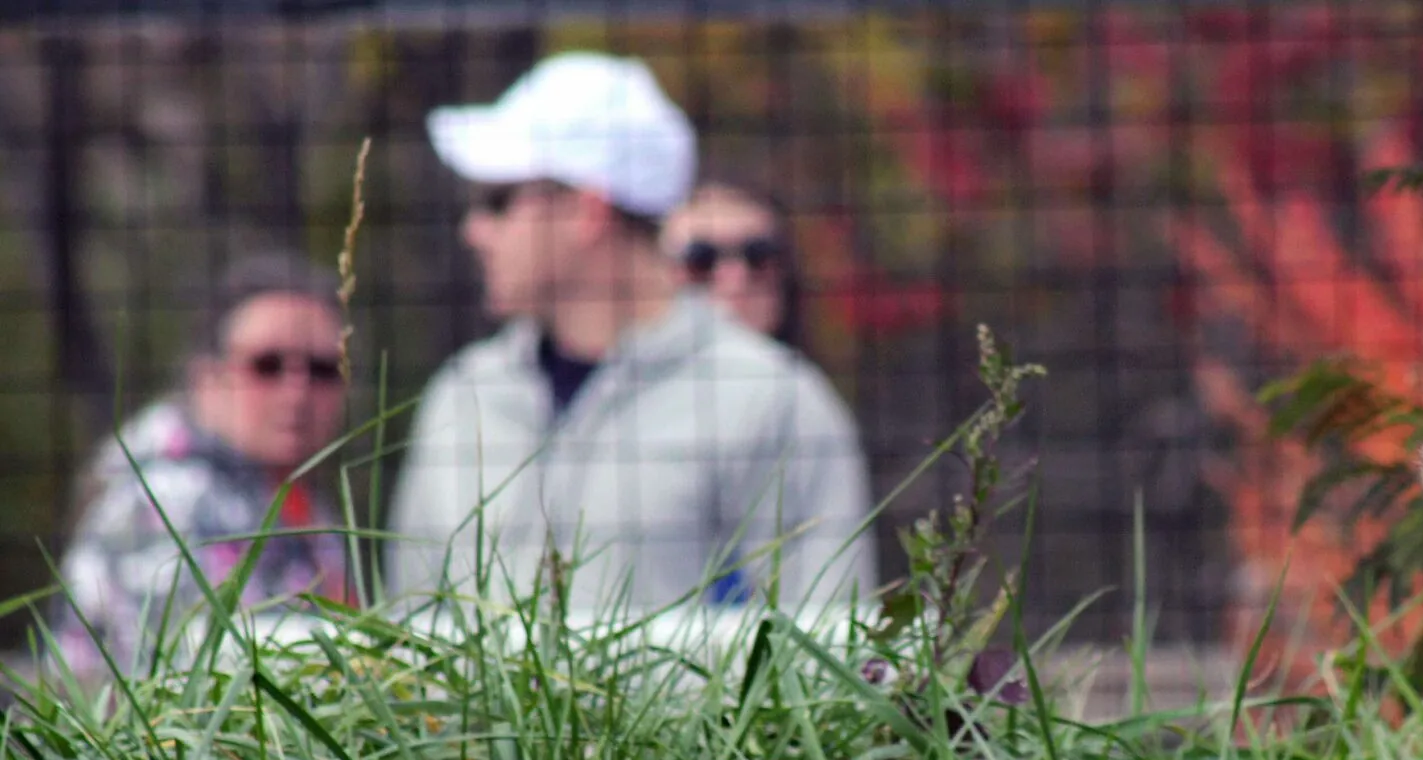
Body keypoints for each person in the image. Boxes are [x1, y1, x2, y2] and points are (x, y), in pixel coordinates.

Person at [384, 52, 876, 618]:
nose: (475, 231)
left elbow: (827, 654)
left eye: (498, 202)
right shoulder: (463, 394)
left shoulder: (773, 399)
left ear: (586, 212)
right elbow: (410, 645)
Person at [48, 251, 355, 684]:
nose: (297, 391)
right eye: (268, 365)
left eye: (323, 369)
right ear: (207, 378)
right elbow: (191, 693)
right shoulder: (161, 498)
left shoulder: (289, 490)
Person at [662, 178, 806, 354]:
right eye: (701, 259)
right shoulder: (626, 376)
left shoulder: (805, 379)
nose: (735, 280)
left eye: (758, 255)